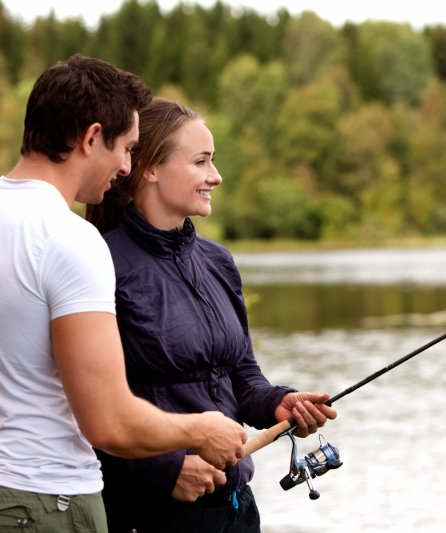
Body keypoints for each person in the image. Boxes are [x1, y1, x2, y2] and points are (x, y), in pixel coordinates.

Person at [0, 56, 247, 533]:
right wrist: (202, 429)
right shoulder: (69, 238)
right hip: (39, 504)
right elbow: (109, 423)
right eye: (126, 149)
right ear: (91, 138)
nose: (128, 167)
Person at [85, 97, 338, 533]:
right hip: (148, 514)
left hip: (236, 509)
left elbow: (242, 377)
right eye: (201, 162)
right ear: (149, 168)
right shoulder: (100, 262)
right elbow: (82, 404)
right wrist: (163, 469)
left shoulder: (217, 262)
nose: (215, 177)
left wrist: (281, 402)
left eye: (213, 162)